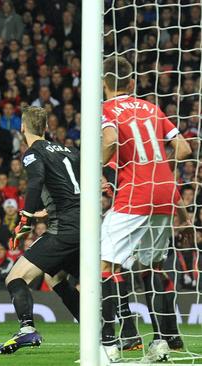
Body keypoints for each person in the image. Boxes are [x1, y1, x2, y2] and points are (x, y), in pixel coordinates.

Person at [99, 57, 191, 362]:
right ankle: (162, 341)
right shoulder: (152, 108)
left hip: (134, 194)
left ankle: (109, 345)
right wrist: (159, 169)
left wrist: (95, 164)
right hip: (165, 192)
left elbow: (110, 140)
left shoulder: (107, 109)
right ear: (130, 83)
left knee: (105, 265)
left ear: (104, 84)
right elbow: (184, 148)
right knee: (152, 267)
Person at [0, 106, 81, 354]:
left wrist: (25, 218)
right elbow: (72, 187)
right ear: (45, 127)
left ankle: (27, 329)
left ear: (23, 127)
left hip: (65, 227)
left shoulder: (33, 153)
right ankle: (99, 330)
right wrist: (46, 210)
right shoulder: (69, 150)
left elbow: (36, 181)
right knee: (55, 277)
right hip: (83, 223)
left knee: (15, 277)